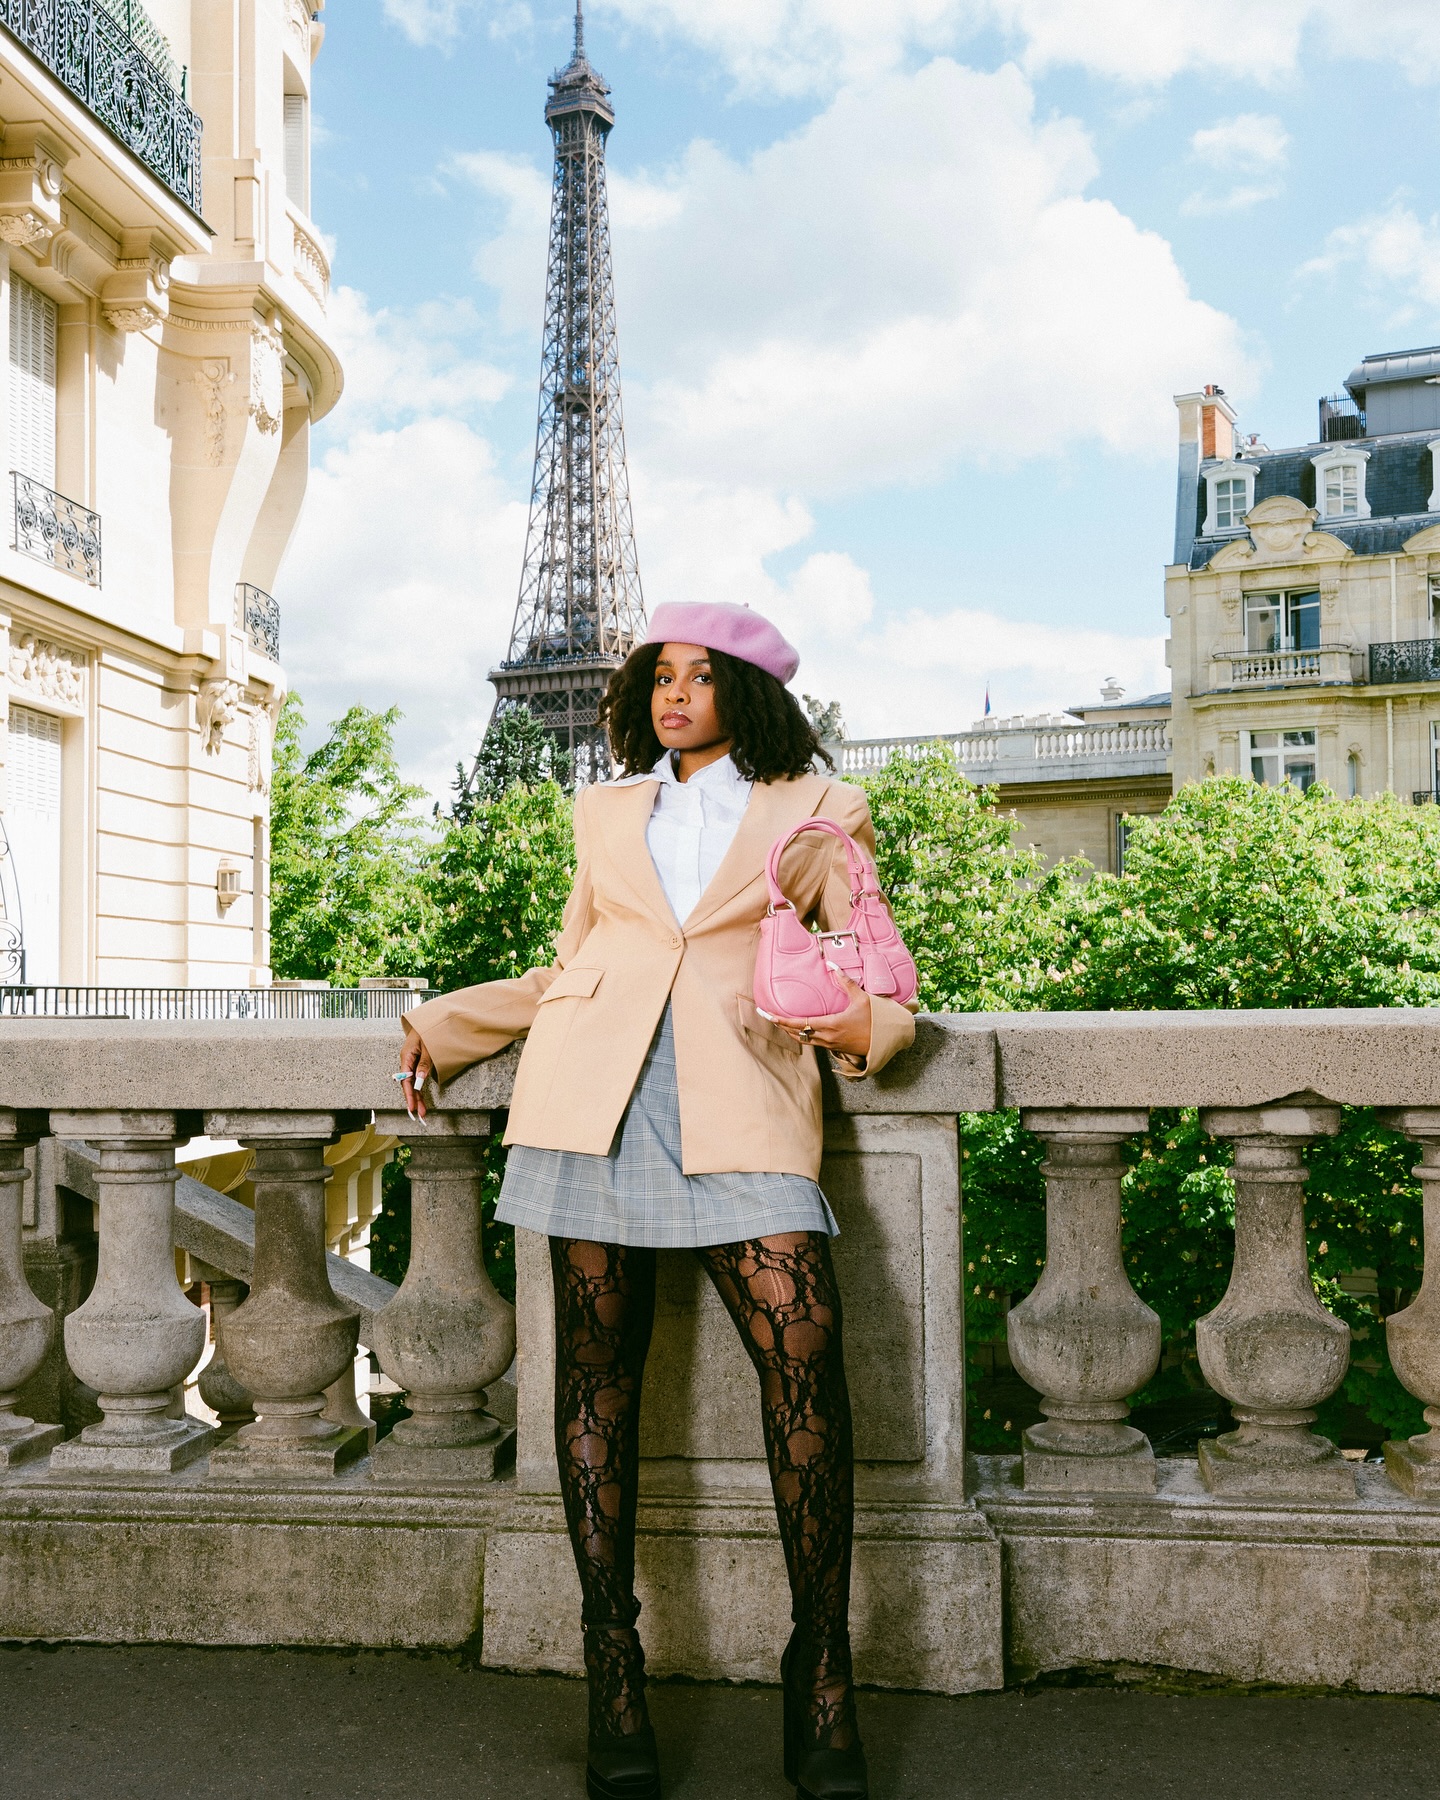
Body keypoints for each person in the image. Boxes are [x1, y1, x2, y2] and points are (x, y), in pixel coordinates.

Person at [398, 601, 916, 1800]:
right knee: (595, 1379)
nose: (674, 694)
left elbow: (871, 953)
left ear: (749, 689)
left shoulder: (819, 809)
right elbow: (578, 959)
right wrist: (444, 1022)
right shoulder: (606, 810)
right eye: (658, 677)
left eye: (700, 675)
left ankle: (823, 1669)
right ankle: (612, 1667)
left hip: (743, 1088)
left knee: (805, 1364)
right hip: (597, 1092)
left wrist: (870, 1032)